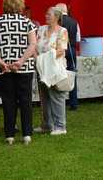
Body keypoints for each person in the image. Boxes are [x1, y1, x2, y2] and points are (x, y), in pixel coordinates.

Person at [0, 0, 37, 145]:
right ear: (20, 7)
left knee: (8, 101)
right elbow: (33, 44)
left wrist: (0, 61)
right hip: (24, 67)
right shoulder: (27, 22)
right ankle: (27, 134)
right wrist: (21, 61)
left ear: (5, 6)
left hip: (4, 68)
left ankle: (9, 135)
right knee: (25, 100)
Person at [35, 7, 69, 135]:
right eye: (46, 13)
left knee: (56, 96)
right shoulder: (42, 29)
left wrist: (45, 58)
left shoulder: (62, 31)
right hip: (41, 68)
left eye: (49, 14)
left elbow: (61, 50)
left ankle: (60, 126)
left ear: (56, 17)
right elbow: (35, 46)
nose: (46, 16)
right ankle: (47, 125)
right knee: (44, 97)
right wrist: (38, 60)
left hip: (55, 68)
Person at [55, 2, 80, 110]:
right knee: (72, 75)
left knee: (58, 74)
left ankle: (59, 101)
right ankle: (73, 102)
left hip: (60, 50)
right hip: (72, 50)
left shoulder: (57, 22)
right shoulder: (75, 22)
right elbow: (78, 38)